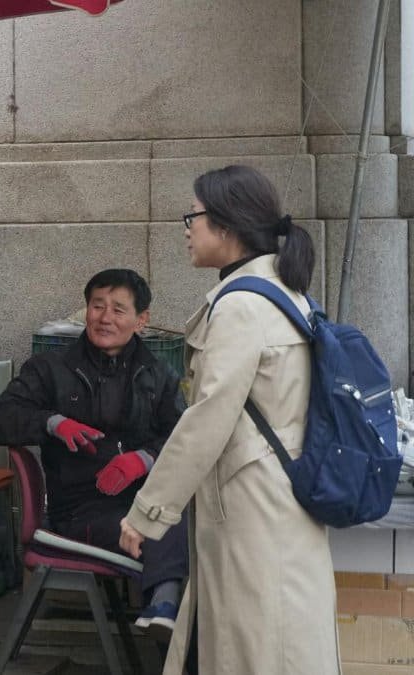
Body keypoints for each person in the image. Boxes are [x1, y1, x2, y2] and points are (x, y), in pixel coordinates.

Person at [118, 165, 338, 675]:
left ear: (226, 224)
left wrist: (147, 512)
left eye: (192, 216)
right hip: (280, 498)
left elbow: (207, 419)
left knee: (258, 651)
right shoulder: (287, 293)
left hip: (253, 509)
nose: (188, 229)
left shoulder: (241, 306)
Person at [0, 268, 187, 639]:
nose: (105, 317)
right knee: (167, 525)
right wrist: (52, 422)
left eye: (119, 309)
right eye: (97, 306)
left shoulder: (158, 376)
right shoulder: (51, 369)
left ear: (142, 321)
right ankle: (165, 606)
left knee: (197, 520)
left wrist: (144, 459)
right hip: (80, 510)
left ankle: (175, 623)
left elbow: (184, 438)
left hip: (144, 498)